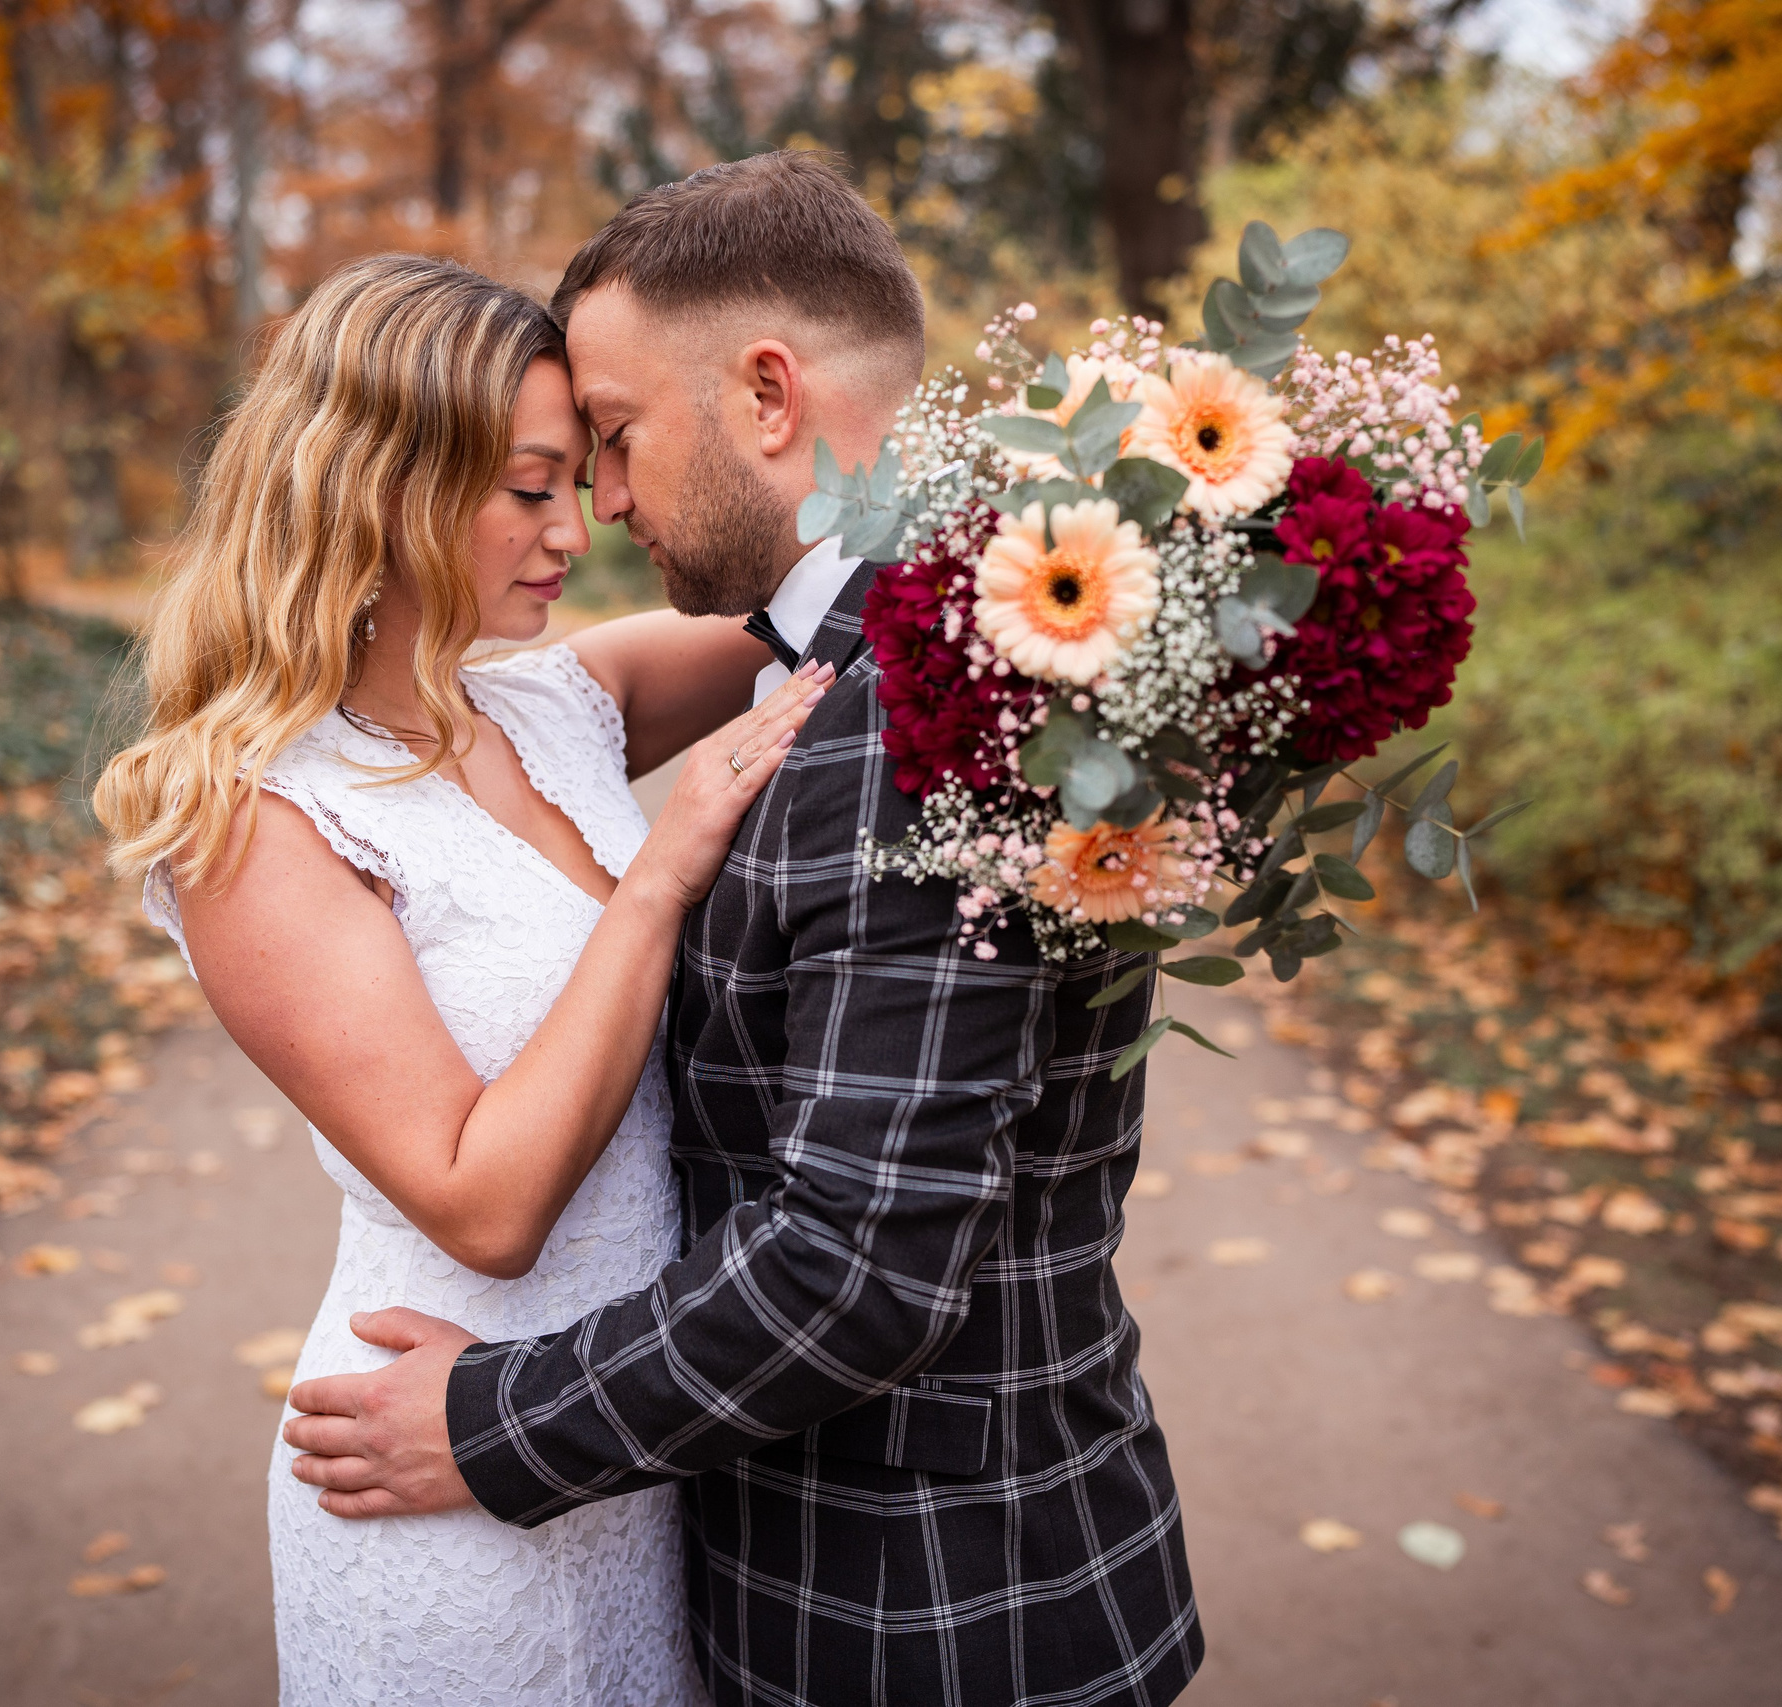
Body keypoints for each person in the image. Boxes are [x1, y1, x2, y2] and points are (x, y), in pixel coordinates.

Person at [283, 151, 1204, 1707]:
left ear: (769, 396)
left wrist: (492, 1426)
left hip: (923, 1614)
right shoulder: (927, 652)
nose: (608, 508)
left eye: (617, 443)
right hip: (851, 1544)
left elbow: (858, 1263)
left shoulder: (919, 709)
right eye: (558, 475)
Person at [93, 250, 829, 1704]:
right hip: (435, 1461)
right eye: (529, 487)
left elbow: (823, 598)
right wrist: (663, 877)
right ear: (383, 486)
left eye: (581, 475)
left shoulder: (555, 698)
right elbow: (481, 1200)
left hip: (627, 1442)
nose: (576, 528)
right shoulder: (261, 813)